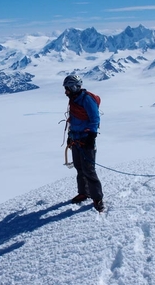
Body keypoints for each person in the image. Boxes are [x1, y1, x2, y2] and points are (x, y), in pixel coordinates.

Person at [63, 74, 104, 212]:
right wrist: (70, 136)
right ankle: (84, 192)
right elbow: (73, 119)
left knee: (89, 170)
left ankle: (97, 198)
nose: (66, 92)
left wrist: (91, 137)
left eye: (68, 88)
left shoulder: (86, 99)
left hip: (86, 139)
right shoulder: (75, 100)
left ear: (74, 87)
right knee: (79, 168)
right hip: (76, 139)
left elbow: (95, 118)